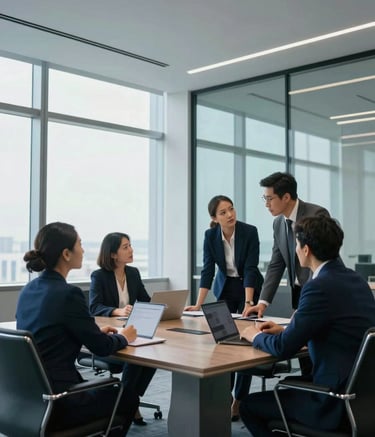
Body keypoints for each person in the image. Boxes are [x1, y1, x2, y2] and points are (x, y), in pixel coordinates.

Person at [239, 216, 375, 436]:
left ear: (306, 249)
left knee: (249, 406)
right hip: (364, 400)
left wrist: (254, 335)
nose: (295, 249)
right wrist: (285, 330)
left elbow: (284, 348)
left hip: (332, 402)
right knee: (287, 385)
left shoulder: (318, 287)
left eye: (296, 244)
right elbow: (336, 326)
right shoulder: (356, 280)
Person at [16, 222, 138, 435]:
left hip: (28, 400)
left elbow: (47, 334)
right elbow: (101, 348)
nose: (83, 250)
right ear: (66, 254)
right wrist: (124, 337)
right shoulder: (68, 294)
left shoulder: (29, 289)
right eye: (80, 244)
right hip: (60, 401)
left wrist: (92, 332)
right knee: (126, 396)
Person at [184, 195, 264, 421]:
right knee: (224, 341)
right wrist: (199, 303)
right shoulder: (210, 236)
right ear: (214, 218)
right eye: (223, 212)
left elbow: (250, 267)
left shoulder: (250, 231)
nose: (230, 215)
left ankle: (240, 398)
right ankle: (226, 394)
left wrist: (249, 303)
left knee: (247, 342)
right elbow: (208, 270)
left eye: (231, 209)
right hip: (226, 288)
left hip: (249, 288)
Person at [89, 232, 156, 426]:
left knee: (153, 354)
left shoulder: (133, 273)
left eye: (130, 245)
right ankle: (128, 403)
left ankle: (130, 398)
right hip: (110, 336)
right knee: (138, 359)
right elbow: (94, 307)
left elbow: (145, 300)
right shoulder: (99, 276)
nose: (131, 250)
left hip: (131, 332)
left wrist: (163, 307)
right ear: (113, 254)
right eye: (125, 247)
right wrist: (117, 311)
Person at [244, 172, 330, 319]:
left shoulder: (316, 214)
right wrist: (262, 302)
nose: (266, 204)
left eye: (270, 199)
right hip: (297, 291)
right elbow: (276, 264)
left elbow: (320, 260)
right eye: (265, 198)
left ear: (286, 197)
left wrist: (308, 300)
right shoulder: (278, 224)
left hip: (319, 289)